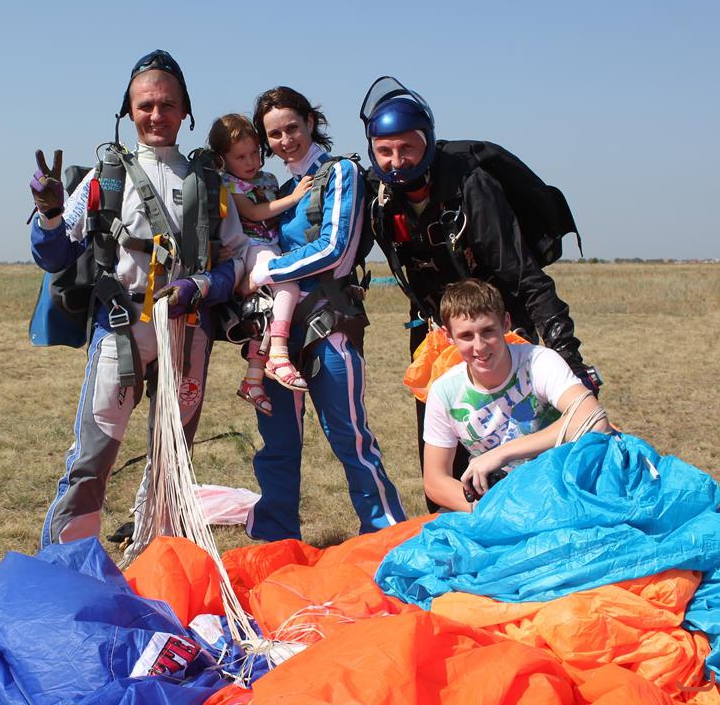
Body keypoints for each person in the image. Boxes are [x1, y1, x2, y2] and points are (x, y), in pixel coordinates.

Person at [29, 49, 247, 547]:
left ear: (185, 111)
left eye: (167, 104)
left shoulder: (209, 181)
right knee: (94, 456)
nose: (156, 114)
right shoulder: (107, 176)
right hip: (122, 328)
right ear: (128, 111)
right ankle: (69, 565)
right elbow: (56, 254)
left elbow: (236, 259)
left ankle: (157, 555)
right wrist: (49, 214)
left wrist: (202, 286)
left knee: (173, 458)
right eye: (145, 105)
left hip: (187, 332)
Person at [359, 76, 600, 511]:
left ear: (427, 142)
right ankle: (462, 524)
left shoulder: (470, 186)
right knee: (442, 447)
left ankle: (534, 513)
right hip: (437, 336)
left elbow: (526, 277)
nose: (396, 161)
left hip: (496, 329)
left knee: (514, 436)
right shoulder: (377, 197)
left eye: (407, 148)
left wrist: (571, 359)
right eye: (385, 151)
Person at [244, 86, 407, 541]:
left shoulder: (341, 173)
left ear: (311, 123)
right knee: (278, 444)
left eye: (292, 128)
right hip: (277, 335)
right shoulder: (277, 192)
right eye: (274, 134)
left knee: (350, 437)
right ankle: (276, 541)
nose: (285, 140)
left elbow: (333, 249)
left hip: (327, 325)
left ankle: (386, 537)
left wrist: (267, 271)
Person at [423, 278, 610, 511]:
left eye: (488, 331)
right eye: (466, 336)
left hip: (566, 491)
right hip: (498, 504)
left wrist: (500, 454)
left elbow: (594, 420)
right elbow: (434, 481)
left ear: (506, 324)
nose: (479, 346)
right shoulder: (444, 392)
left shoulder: (537, 361)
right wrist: (491, 510)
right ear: (448, 336)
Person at [207, 114, 314, 416]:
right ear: (222, 158)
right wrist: (294, 198)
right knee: (288, 285)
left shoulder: (268, 179)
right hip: (250, 249)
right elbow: (254, 213)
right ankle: (278, 354)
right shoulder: (229, 182)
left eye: (254, 152)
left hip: (270, 247)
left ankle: (253, 380)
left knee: (265, 313)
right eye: (240, 156)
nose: (251, 161)